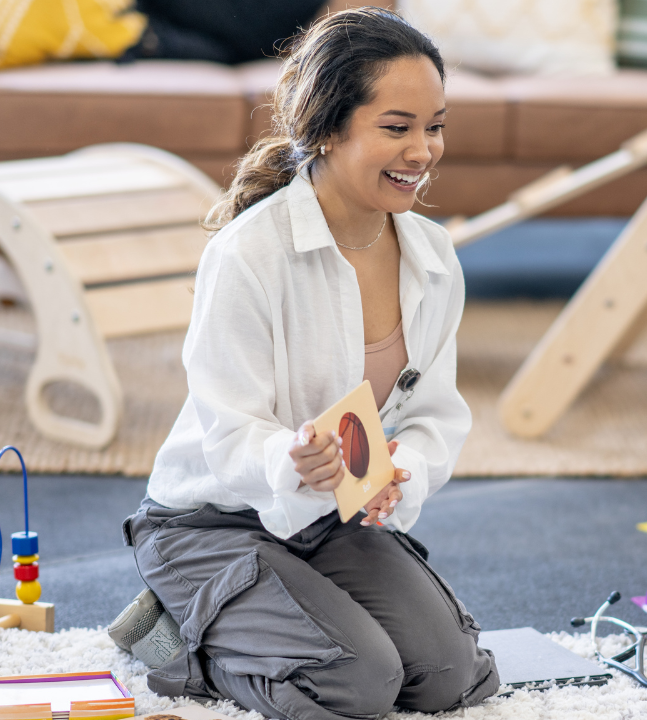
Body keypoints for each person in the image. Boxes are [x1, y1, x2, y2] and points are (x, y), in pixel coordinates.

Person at [109, 8, 499, 719]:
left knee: (451, 675)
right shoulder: (248, 255)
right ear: (326, 128)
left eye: (434, 126)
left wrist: (397, 473)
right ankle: (167, 640)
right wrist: (291, 456)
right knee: (356, 684)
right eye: (396, 127)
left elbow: (435, 412)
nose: (423, 152)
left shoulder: (434, 259)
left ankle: (267, 616)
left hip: (330, 518)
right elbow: (230, 434)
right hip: (209, 522)